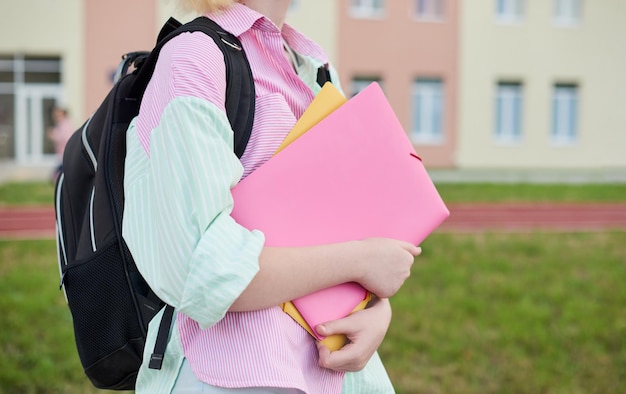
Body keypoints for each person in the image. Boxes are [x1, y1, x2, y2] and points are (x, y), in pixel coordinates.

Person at [122, 1, 421, 393]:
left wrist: (376, 310)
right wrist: (362, 261)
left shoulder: (313, 68)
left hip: (339, 376)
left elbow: (347, 227)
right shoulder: (195, 56)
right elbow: (203, 267)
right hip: (236, 377)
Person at [47, 106, 73, 181]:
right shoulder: (61, 124)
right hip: (62, 154)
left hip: (65, 154)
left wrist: (53, 135)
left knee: (56, 176)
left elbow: (65, 138)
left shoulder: (65, 124)